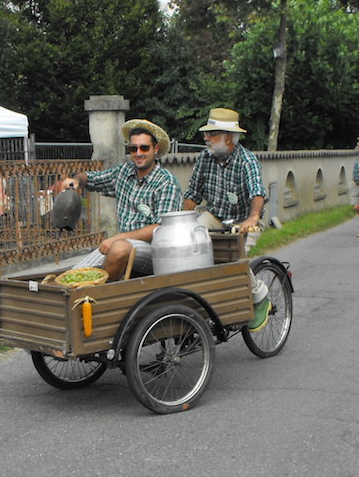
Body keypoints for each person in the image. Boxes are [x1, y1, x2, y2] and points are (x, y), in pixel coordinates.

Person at [181, 108, 271, 330]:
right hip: (216, 216)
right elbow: (193, 194)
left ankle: (260, 296)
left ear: (228, 137)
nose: (206, 138)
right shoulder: (205, 158)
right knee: (190, 242)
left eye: (211, 134)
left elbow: (257, 192)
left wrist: (252, 218)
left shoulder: (247, 160)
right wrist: (177, 222)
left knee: (232, 257)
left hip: (243, 220)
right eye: (206, 133)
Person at [63, 119, 182, 281]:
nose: (138, 153)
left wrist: (118, 238)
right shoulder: (123, 172)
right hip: (124, 244)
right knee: (75, 275)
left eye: (144, 148)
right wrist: (76, 181)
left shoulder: (166, 182)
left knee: (118, 247)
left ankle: (104, 293)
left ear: (155, 149)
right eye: (133, 148)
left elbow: (161, 228)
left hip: (157, 252)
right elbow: (91, 178)